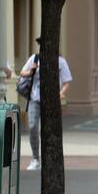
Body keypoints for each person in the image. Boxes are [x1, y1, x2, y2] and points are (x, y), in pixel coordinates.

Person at [18, 40, 72, 171]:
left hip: (51, 101)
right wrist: (31, 71)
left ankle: (50, 159)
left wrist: (61, 93)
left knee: (50, 130)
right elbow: (22, 73)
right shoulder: (35, 59)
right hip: (34, 99)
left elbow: (67, 82)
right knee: (32, 127)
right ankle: (35, 158)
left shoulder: (60, 61)